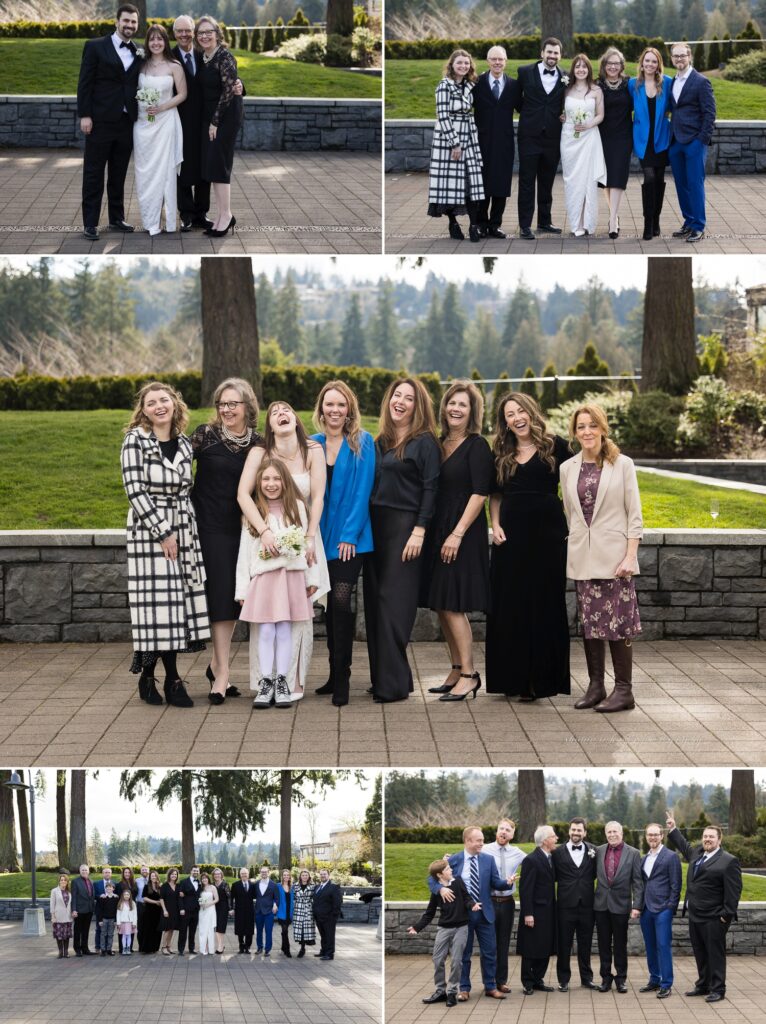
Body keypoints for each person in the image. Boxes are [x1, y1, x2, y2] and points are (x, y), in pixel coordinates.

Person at [121, 381, 210, 708]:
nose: (159, 406)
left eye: (164, 400)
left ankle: (157, 678)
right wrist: (162, 532)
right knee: (157, 608)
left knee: (174, 607)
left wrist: (182, 531)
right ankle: (165, 679)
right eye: (151, 402)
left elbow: (186, 489)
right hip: (149, 533)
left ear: (174, 403)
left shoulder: (185, 444)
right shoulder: (135, 440)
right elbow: (134, 490)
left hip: (183, 527)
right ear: (143, 410)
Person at [238, 401, 330, 702]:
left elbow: (318, 497)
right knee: (266, 624)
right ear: (269, 425)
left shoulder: (313, 449)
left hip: (304, 534)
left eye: (286, 409)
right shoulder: (259, 452)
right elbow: (243, 495)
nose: (281, 413)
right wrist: (263, 531)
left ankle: (292, 682)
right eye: (274, 412)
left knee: (298, 617)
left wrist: (310, 537)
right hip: (263, 533)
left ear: (296, 418)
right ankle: (264, 681)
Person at [486, 393, 571, 700]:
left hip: (548, 536)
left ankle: (542, 681)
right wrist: (495, 525)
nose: (517, 418)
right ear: (505, 422)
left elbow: (574, 486)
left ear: (532, 412)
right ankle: (513, 679)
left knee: (545, 603)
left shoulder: (556, 446)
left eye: (521, 411)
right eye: (510, 414)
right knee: (510, 604)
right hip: (510, 537)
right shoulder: (500, 451)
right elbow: (495, 495)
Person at [560, 403, 643, 713]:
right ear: (574, 431)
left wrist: (630, 556)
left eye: (592, 425)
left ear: (603, 428)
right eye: (581, 426)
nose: (587, 431)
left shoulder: (622, 464)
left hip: (616, 559)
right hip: (583, 558)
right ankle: (596, 687)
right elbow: (571, 514)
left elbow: (634, 514)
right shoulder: (567, 468)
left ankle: (624, 691)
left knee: (619, 624)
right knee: (590, 623)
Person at [364, 378, 441, 703]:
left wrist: (419, 530)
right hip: (375, 530)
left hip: (405, 528)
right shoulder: (379, 441)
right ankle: (390, 678)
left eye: (408, 398)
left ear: (417, 406)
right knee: (374, 603)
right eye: (397, 395)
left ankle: (391, 686)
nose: (400, 401)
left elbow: (431, 489)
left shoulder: (425, 442)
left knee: (392, 603)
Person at [191, 378, 262, 704]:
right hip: (209, 528)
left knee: (234, 599)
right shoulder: (205, 435)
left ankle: (215, 664)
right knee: (220, 598)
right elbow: (174, 467)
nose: (227, 409)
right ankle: (222, 674)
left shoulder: (259, 443)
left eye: (233, 403)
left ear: (248, 406)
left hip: (242, 530)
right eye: (222, 403)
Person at [424, 380, 494, 702]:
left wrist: (457, 533)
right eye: (452, 403)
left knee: (453, 605)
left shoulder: (477, 446)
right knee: (441, 603)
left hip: (462, 533)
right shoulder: (438, 443)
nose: (455, 408)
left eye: (462, 404)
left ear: (472, 411)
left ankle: (469, 674)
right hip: (439, 530)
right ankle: (455, 669)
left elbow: (480, 493)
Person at [311, 381, 376, 707]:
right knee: (326, 606)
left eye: (341, 404)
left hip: (350, 539)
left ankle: (343, 677)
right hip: (319, 537)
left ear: (349, 409)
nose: (335, 410)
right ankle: (332, 672)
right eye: (329, 404)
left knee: (340, 602)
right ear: (321, 409)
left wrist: (349, 534)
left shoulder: (362, 442)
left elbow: (363, 491)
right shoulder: (313, 444)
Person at [76, 3, 141, 241]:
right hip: (100, 121)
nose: (129, 25)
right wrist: (85, 114)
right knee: (93, 173)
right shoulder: (95, 46)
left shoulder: (138, 50)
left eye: (133, 22)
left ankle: (116, 218)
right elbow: (85, 83)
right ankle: (90, 223)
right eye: (126, 21)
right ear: (117, 22)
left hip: (126, 122)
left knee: (118, 173)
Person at [427, 827, 513, 1001]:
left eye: (482, 840)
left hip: (485, 914)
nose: (482, 843)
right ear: (467, 841)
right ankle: (464, 988)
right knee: (463, 955)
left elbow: (495, 882)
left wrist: (507, 883)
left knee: (490, 952)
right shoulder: (454, 860)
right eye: (478, 840)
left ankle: (490, 987)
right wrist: (440, 888)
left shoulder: (488, 860)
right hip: (463, 916)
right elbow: (431, 878)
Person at [666, 814, 742, 1002]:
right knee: (700, 952)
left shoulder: (728, 861)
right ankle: (703, 985)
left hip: (714, 917)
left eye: (711, 837)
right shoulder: (698, 854)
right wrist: (673, 828)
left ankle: (718, 989)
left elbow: (734, 892)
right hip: (695, 915)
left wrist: (726, 915)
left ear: (719, 840)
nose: (707, 839)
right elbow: (684, 846)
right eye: (705, 836)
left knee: (715, 954)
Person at [427, 49, 485, 243]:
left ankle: (474, 225)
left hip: (470, 138)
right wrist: (455, 144)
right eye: (459, 62)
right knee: (450, 184)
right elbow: (443, 116)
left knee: (472, 183)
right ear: (452, 64)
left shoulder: (469, 85)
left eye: (466, 63)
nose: (463, 66)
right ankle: (453, 223)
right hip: (449, 141)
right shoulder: (444, 86)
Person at [133, 24, 186, 235]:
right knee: (144, 172)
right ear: (147, 42)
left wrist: (161, 107)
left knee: (166, 172)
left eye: (160, 39)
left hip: (165, 123)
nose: (156, 43)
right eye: (152, 39)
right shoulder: (141, 65)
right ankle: (150, 221)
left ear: (165, 41)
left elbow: (182, 94)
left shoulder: (174, 66)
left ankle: (169, 221)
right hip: (143, 124)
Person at [408, 858, 479, 1008]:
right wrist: (417, 927)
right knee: (437, 959)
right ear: (440, 875)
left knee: (456, 961)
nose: (451, 870)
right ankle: (440, 991)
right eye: (447, 869)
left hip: (461, 928)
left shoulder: (458, 882)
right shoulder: (437, 891)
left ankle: (452, 992)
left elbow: (467, 898)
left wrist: (472, 905)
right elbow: (429, 913)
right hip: (444, 928)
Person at [195, 16, 243, 236]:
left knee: (220, 166)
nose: (204, 36)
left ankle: (227, 215)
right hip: (210, 117)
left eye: (209, 32)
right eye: (201, 33)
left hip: (225, 117)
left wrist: (215, 122)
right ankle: (222, 214)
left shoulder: (225, 56)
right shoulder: (204, 57)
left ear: (217, 34)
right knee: (214, 167)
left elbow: (228, 91)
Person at [516, 37, 566, 240]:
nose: (552, 56)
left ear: (560, 55)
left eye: (556, 53)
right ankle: (524, 225)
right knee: (527, 182)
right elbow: (516, 100)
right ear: (542, 53)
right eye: (549, 52)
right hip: (529, 136)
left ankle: (544, 221)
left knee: (547, 181)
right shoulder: (525, 72)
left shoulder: (565, 76)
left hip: (552, 137)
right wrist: (531, 116)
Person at [668, 42, 717, 243]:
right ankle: (688, 222)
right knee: (681, 184)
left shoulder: (701, 81)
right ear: (672, 58)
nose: (679, 59)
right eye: (676, 56)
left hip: (694, 142)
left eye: (683, 55)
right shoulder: (672, 81)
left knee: (695, 184)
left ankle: (698, 226)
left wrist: (701, 140)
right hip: (675, 142)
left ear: (689, 57)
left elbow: (710, 114)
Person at [471, 47, 522, 239]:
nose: (497, 62)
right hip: (481, 142)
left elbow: (525, 109)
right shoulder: (476, 83)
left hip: (504, 142)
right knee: (482, 183)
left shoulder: (514, 85)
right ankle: (481, 224)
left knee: (501, 184)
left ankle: (495, 224)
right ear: (488, 61)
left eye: (501, 59)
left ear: (506, 61)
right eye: (494, 59)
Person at [172, 15, 212, 231]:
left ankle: (201, 213)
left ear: (193, 32)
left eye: (187, 30)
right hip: (179, 121)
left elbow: (223, 75)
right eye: (180, 31)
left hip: (205, 122)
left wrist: (239, 84)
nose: (184, 34)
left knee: (205, 166)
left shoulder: (204, 54)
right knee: (182, 167)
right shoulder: (168, 56)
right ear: (174, 33)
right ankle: (186, 214)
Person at [560, 54, 606, 237]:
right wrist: (562, 117)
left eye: (584, 66)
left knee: (588, 181)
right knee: (572, 181)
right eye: (577, 66)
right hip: (569, 138)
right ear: (573, 69)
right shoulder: (566, 90)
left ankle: (587, 223)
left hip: (589, 138)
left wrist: (588, 124)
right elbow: (562, 112)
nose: (581, 69)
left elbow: (600, 115)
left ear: (589, 69)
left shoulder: (596, 90)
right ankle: (576, 223)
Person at [594, 821, 643, 992]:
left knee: (620, 945)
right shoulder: (599, 851)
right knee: (603, 944)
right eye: (609, 832)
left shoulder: (633, 853)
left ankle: (621, 979)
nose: (612, 835)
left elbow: (637, 882)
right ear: (605, 834)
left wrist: (637, 906)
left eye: (615, 831)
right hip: (601, 905)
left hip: (621, 906)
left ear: (621, 833)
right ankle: (605, 978)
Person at [628, 48, 672, 241]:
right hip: (643, 140)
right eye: (647, 61)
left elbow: (675, 106)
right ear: (642, 62)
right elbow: (623, 107)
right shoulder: (633, 84)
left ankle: (656, 220)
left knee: (659, 179)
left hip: (661, 138)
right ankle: (648, 223)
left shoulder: (667, 82)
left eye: (654, 61)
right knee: (650, 178)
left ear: (658, 64)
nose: (650, 64)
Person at [552, 817, 599, 991]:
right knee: (564, 944)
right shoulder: (557, 852)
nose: (576, 833)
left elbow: (596, 873)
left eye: (579, 830)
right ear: (569, 831)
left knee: (585, 943)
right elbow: (554, 876)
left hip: (587, 905)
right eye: (573, 829)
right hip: (565, 906)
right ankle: (563, 979)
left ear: (585, 833)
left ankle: (587, 978)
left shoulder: (594, 851)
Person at [482, 819, 526, 992]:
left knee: (503, 943)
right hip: (489, 902)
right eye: (501, 828)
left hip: (507, 903)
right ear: (496, 831)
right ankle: (489, 982)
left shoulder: (517, 853)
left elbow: (534, 863)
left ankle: (501, 981)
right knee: (488, 944)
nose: (504, 832)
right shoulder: (484, 849)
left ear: (512, 834)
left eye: (508, 830)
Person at [639, 822, 682, 999]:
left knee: (663, 946)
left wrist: (670, 907)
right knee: (650, 946)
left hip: (663, 909)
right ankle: (654, 979)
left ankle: (666, 983)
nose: (653, 837)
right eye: (650, 834)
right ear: (646, 837)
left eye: (656, 834)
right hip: (646, 909)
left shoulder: (671, 857)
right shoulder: (644, 858)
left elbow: (676, 885)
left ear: (662, 836)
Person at [596, 48, 633, 238]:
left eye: (616, 63)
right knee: (607, 180)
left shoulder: (629, 84)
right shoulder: (597, 85)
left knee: (618, 177)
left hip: (623, 137)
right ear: (604, 65)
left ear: (621, 66)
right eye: (609, 63)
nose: (612, 67)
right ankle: (614, 215)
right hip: (602, 137)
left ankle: (612, 220)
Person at [517, 825, 558, 995]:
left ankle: (538, 980)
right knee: (531, 948)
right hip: (534, 912)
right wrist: (528, 913)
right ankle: (527, 982)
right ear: (545, 841)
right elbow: (525, 889)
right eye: (553, 836)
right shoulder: (531, 860)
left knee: (545, 946)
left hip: (549, 912)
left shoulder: (551, 858)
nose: (556, 839)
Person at [313, 869, 343, 962]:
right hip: (319, 917)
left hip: (329, 918)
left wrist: (333, 916)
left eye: (324, 874)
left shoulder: (333, 887)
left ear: (328, 875)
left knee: (329, 936)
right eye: (321, 874)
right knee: (323, 935)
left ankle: (329, 954)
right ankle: (323, 951)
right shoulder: (317, 887)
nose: (323, 876)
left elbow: (338, 902)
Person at [253, 867, 280, 956]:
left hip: (269, 912)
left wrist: (275, 905)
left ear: (268, 872)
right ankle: (259, 947)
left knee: (268, 931)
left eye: (265, 872)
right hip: (258, 911)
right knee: (259, 931)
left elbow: (277, 898)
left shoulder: (274, 885)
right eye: (262, 872)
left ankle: (267, 950)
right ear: (260, 873)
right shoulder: (256, 884)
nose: (263, 873)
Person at [70, 864, 96, 957]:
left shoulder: (91, 881)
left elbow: (92, 896)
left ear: (88, 871)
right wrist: (74, 910)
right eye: (83, 870)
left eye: (86, 870)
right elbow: (74, 897)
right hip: (79, 910)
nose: (84, 871)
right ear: (80, 871)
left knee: (86, 931)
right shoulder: (75, 881)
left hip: (89, 910)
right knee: (78, 931)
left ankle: (85, 948)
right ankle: (77, 949)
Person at [232, 867, 257, 953]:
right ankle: (241, 946)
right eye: (242, 874)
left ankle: (247, 947)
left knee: (249, 929)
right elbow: (231, 898)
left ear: (248, 874)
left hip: (250, 910)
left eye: (245, 873)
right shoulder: (235, 885)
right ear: (240, 875)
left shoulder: (253, 885)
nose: (244, 875)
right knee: (240, 929)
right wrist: (231, 908)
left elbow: (256, 896)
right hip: (239, 910)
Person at [138, 870, 163, 954]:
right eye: (152, 876)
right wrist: (155, 902)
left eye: (155, 876)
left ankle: (155, 948)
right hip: (149, 911)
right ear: (150, 877)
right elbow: (144, 898)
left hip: (158, 912)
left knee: (157, 930)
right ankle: (147, 949)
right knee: (148, 930)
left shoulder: (160, 887)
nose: (154, 877)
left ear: (157, 877)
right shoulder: (146, 886)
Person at [177, 865, 201, 955]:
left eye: (197, 871)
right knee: (183, 931)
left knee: (192, 931)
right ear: (191, 871)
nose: (196, 872)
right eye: (194, 870)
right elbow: (180, 897)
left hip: (196, 911)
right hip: (185, 911)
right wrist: (181, 908)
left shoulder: (199, 883)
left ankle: (191, 948)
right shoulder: (183, 882)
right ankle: (181, 949)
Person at [292, 869, 316, 958]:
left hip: (308, 910)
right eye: (303, 875)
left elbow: (315, 897)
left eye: (306, 875)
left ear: (309, 876)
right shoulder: (295, 885)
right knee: (300, 930)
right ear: (300, 876)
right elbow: (293, 897)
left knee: (305, 930)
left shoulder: (313, 886)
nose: (304, 877)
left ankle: (302, 948)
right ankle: (302, 947)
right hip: (298, 909)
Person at [159, 867, 182, 954]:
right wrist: (164, 910)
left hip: (175, 911)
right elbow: (161, 899)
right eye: (172, 874)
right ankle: (163, 947)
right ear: (169, 875)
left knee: (172, 929)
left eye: (175, 874)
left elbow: (180, 896)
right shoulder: (164, 886)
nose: (174, 876)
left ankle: (169, 946)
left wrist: (182, 894)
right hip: (167, 911)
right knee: (167, 929)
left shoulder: (178, 886)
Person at [50, 873, 74, 959]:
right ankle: (60, 951)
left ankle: (66, 952)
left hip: (67, 917)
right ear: (59, 881)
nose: (63, 881)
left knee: (67, 935)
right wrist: (53, 916)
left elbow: (71, 904)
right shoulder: (54, 891)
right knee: (59, 935)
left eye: (65, 880)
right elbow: (52, 904)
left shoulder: (69, 891)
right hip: (58, 916)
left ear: (67, 882)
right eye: (61, 880)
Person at [93, 866, 115, 951]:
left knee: (109, 930)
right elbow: (94, 895)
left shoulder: (115, 884)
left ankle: (107, 947)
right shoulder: (97, 884)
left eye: (109, 872)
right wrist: (99, 896)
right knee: (99, 929)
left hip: (110, 912)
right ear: (102, 874)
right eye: (105, 872)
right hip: (100, 911)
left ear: (111, 874)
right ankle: (98, 947)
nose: (107, 874)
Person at [197, 872, 219, 955]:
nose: (204, 880)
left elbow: (216, 899)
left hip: (211, 910)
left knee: (210, 929)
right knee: (203, 930)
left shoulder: (212, 887)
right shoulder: (200, 888)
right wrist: (201, 904)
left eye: (205, 878)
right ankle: (204, 948)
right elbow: (199, 898)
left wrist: (208, 904)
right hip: (202, 910)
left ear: (208, 879)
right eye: (202, 878)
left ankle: (211, 949)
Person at [96, 881, 119, 956]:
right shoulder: (102, 898)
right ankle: (103, 950)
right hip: (104, 919)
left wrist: (116, 920)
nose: (109, 889)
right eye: (107, 887)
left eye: (110, 887)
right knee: (103, 934)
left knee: (110, 934)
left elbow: (116, 910)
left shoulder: (116, 898)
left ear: (113, 889)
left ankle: (109, 949)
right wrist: (100, 920)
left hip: (112, 919)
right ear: (105, 889)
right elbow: (99, 910)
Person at [212, 867, 231, 953]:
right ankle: (221, 945)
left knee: (221, 927)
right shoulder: (212, 885)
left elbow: (229, 897)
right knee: (216, 927)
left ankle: (220, 946)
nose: (217, 875)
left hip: (223, 908)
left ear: (221, 875)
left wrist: (230, 908)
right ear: (213, 875)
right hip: (213, 908)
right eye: (215, 874)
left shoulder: (225, 884)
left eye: (218, 874)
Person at [276, 869, 294, 957]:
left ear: (290, 877)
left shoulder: (292, 887)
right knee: (285, 930)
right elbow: (274, 897)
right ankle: (287, 950)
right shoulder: (278, 886)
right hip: (281, 912)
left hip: (289, 913)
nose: (286, 876)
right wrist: (274, 905)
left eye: (288, 875)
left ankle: (283, 947)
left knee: (284, 931)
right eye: (284, 875)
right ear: (282, 876)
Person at [116, 889, 138, 955]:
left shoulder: (133, 903)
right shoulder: (120, 903)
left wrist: (134, 923)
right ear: (122, 895)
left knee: (129, 935)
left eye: (128, 894)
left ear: (130, 895)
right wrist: (118, 923)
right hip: (122, 922)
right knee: (124, 936)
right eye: (125, 894)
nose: (126, 896)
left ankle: (128, 948)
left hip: (130, 922)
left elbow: (135, 914)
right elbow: (118, 914)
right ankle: (124, 948)